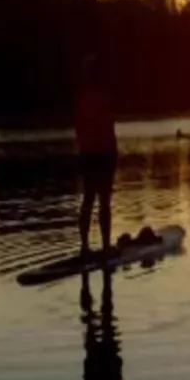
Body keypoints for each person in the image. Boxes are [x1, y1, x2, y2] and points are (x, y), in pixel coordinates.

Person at [75, 55, 117, 256]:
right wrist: (113, 153)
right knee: (104, 202)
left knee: (88, 200)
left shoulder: (82, 98)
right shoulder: (103, 96)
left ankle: (84, 247)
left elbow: (80, 128)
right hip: (103, 154)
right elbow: (108, 127)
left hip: (87, 154)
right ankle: (106, 246)